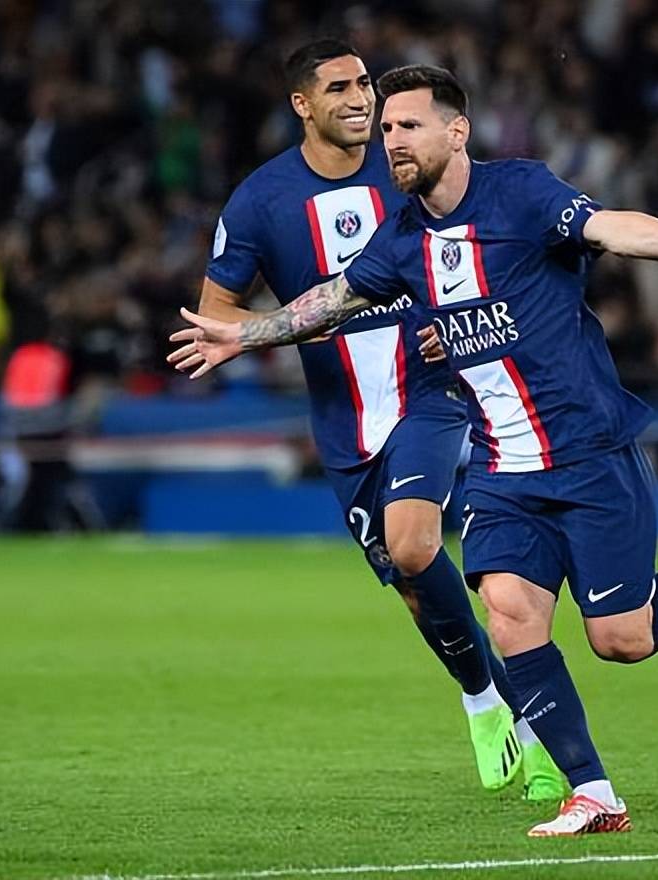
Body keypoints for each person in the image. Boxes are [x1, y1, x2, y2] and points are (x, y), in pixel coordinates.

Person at [168, 64, 658, 836]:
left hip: (589, 451)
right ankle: (593, 791)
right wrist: (245, 334)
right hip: (502, 467)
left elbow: (611, 228)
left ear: (456, 130)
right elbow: (330, 301)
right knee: (510, 615)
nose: (391, 140)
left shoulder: (520, 193)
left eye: (408, 126)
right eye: (387, 129)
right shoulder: (402, 240)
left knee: (621, 640)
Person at [187, 42, 561, 801]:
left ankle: (539, 723)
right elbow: (217, 311)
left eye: (365, 84)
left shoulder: (408, 168)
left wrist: (462, 318)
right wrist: (279, 330)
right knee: (411, 579)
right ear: (303, 105)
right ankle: (484, 697)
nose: (362, 99)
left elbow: (473, 249)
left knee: (415, 540)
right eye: (340, 88)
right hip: (344, 419)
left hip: (429, 387)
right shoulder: (261, 201)